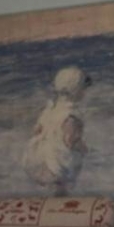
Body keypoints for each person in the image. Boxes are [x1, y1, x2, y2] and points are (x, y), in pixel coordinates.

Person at [22, 65, 90, 194]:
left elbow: (37, 130)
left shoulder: (50, 109)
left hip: (40, 158)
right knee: (61, 187)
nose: (84, 93)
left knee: (52, 188)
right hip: (57, 163)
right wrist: (83, 148)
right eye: (83, 89)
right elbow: (70, 140)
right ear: (76, 90)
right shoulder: (71, 115)